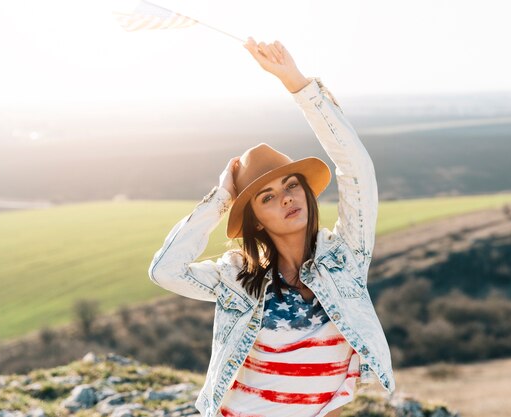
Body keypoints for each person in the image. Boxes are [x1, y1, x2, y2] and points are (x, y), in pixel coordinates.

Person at [148, 36, 395, 417]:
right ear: (256, 222)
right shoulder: (237, 279)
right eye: (266, 198)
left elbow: (356, 169)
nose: (286, 198)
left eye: (291, 185)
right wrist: (221, 199)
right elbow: (165, 271)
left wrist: (297, 84)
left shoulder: (345, 260)